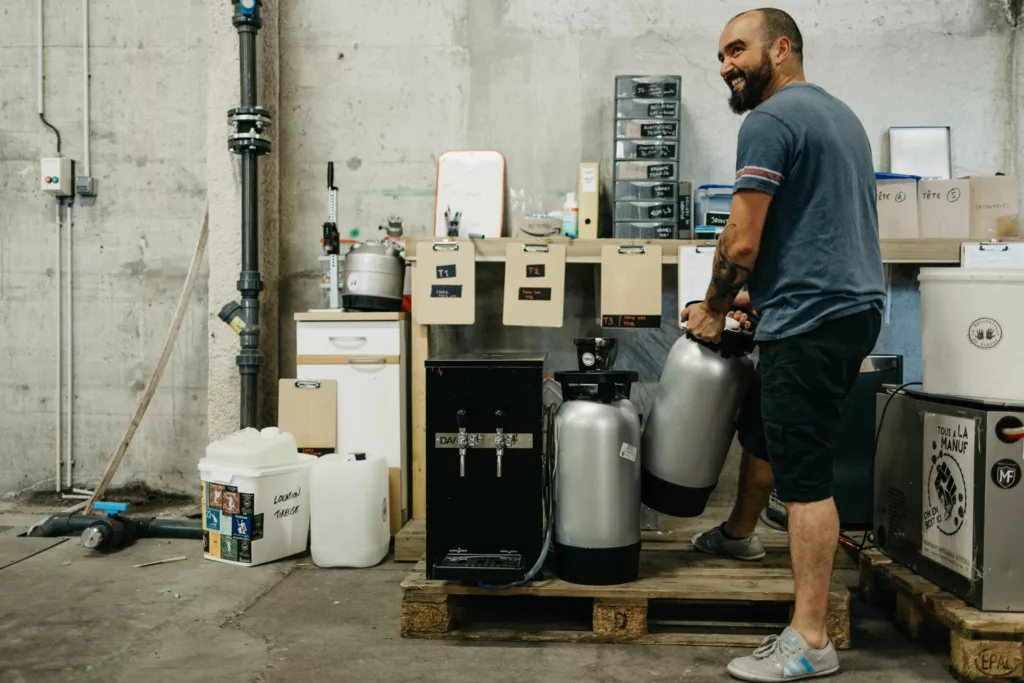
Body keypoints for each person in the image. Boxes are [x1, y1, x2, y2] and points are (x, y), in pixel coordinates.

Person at [679, 8, 885, 681]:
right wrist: (753, 296)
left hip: (814, 318)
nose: (726, 66)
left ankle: (809, 638)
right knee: (767, 424)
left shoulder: (767, 121)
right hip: (842, 305)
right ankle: (738, 536)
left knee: (805, 477)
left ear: (782, 48)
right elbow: (815, 229)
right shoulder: (839, 116)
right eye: (720, 56)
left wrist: (713, 308)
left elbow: (740, 239)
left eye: (737, 50)